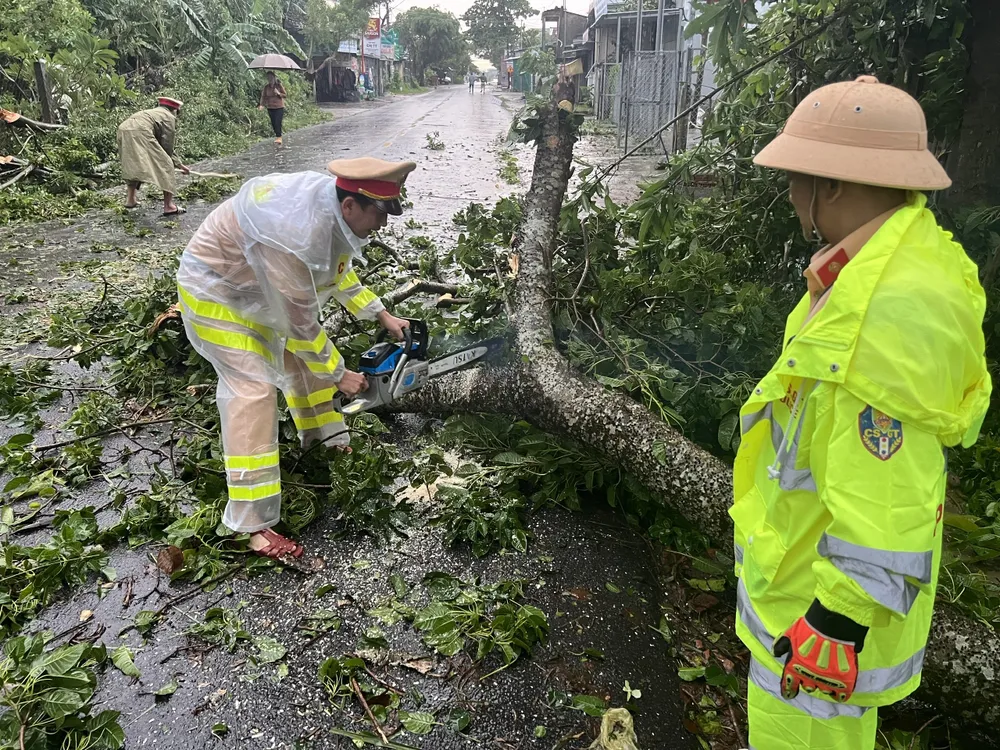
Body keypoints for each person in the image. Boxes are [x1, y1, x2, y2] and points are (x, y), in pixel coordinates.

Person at [732, 75, 991, 750]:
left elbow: (892, 492)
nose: (790, 194)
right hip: (803, 596)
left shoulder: (882, 316)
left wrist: (834, 623)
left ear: (834, 185)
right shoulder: (876, 267)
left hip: (816, 646)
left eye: (796, 177)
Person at [176, 158, 415, 559]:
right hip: (217, 294)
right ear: (350, 206)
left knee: (306, 365)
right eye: (378, 213)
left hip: (258, 295)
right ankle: (252, 526)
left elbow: (335, 270)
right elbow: (300, 322)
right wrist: (340, 373)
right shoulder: (293, 233)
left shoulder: (329, 211)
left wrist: (381, 313)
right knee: (252, 391)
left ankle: (327, 442)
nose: (383, 225)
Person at [117, 96, 190, 216]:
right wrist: (176, 164)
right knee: (166, 164)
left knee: (133, 163)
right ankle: (169, 206)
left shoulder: (153, 112)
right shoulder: (168, 117)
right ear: (174, 110)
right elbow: (166, 146)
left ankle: (130, 200)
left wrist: (180, 164)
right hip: (140, 131)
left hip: (124, 128)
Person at [258, 72, 287, 145]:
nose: (270, 79)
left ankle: (279, 137)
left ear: (274, 78)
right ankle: (277, 135)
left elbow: (285, 95)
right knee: (273, 123)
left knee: (278, 122)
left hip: (279, 107)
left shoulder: (279, 86)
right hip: (270, 107)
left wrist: (278, 93)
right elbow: (263, 97)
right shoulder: (266, 87)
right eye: (268, 78)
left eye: (271, 77)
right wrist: (261, 105)